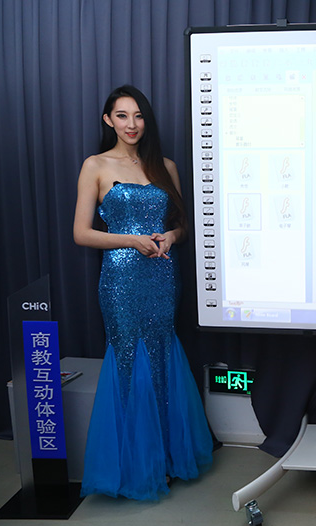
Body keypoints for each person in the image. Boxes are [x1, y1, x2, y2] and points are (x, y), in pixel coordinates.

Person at [73, 85, 213, 500]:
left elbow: (183, 225)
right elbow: (81, 233)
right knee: (129, 361)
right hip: (121, 281)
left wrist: (171, 235)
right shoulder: (95, 165)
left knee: (162, 357)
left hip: (162, 277)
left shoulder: (165, 166)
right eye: (122, 116)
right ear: (108, 120)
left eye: (138, 116)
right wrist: (131, 240)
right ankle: (137, 464)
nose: (131, 124)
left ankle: (167, 457)